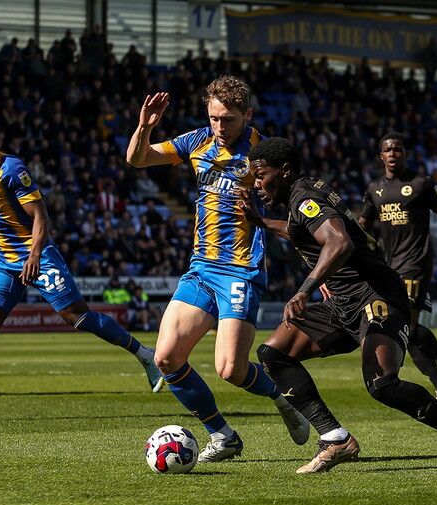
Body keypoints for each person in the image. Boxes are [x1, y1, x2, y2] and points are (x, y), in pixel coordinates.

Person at [238, 137, 437, 475]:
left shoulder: (305, 198)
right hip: (344, 302)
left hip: (376, 296)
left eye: (261, 175)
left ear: (284, 171)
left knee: (383, 384)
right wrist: (262, 223)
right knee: (274, 354)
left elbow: (338, 241)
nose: (257, 184)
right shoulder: (302, 195)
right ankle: (335, 438)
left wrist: (304, 290)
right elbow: (304, 232)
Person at [0, 112, 163, 422]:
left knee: (77, 317)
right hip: (3, 262)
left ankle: (145, 355)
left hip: (37, 255)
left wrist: (34, 255)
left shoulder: (11, 168)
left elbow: (41, 216)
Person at [126, 76, 309, 462]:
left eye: (227, 119)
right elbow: (137, 159)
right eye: (213, 118)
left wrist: (317, 272)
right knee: (165, 359)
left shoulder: (263, 153)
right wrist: (145, 127)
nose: (219, 127)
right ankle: (222, 435)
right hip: (201, 267)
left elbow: (298, 213)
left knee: (231, 369)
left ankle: (284, 400)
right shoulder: (196, 142)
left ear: (247, 115)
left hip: (241, 269)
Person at [360, 133, 437, 408]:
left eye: (397, 149)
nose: (392, 153)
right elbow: (363, 223)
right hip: (389, 268)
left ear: (405, 153)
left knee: (407, 327)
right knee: (404, 330)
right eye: (387, 150)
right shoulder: (374, 188)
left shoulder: (422, 184)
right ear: (381, 156)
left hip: (415, 264)